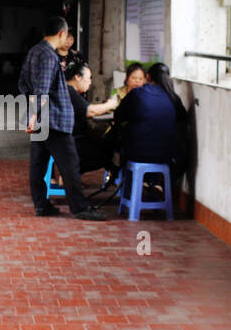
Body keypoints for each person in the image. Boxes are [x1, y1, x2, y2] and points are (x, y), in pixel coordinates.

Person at [17, 18, 106, 221]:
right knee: (70, 163)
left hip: (42, 119)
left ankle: (41, 205)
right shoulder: (49, 55)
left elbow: (23, 83)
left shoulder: (33, 51)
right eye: (66, 35)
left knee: (38, 164)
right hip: (53, 119)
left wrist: (32, 113)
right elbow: (43, 88)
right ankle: (80, 208)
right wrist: (34, 115)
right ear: (61, 34)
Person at [113, 61, 188, 191]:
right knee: (180, 158)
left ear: (147, 77)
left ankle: (135, 185)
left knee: (124, 141)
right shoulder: (173, 98)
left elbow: (118, 116)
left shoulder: (137, 94)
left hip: (136, 154)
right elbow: (183, 119)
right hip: (166, 155)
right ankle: (155, 183)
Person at [65, 62, 117, 176]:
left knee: (107, 144)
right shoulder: (69, 91)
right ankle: (70, 175)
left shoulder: (71, 91)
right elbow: (90, 111)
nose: (90, 82)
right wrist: (110, 104)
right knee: (106, 152)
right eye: (88, 78)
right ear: (77, 77)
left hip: (73, 138)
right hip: (72, 140)